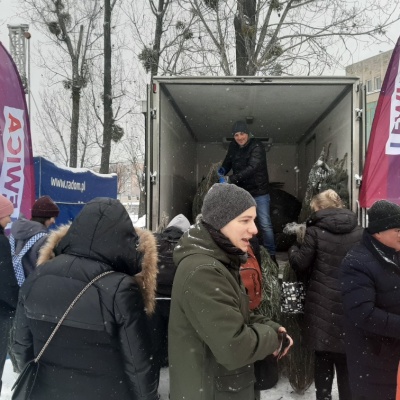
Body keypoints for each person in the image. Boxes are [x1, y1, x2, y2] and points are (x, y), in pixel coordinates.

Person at [11, 197, 159, 400]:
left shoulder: (38, 275)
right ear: (124, 238)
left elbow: (20, 347)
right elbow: (138, 364)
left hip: (46, 392)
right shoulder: (121, 289)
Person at [168, 183, 293, 400]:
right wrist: (272, 338)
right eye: (245, 220)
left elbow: (233, 314)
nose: (254, 230)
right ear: (219, 222)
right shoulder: (203, 271)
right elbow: (233, 347)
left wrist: (270, 325)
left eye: (253, 220)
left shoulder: (221, 261)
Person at [288, 189, 363, 400]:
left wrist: (294, 248)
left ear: (320, 208)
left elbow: (301, 265)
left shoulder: (314, 232)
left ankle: (324, 396)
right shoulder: (359, 231)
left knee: (323, 362)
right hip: (350, 304)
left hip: (322, 307)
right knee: (347, 363)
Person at [340, 199, 400, 400]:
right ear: (378, 231)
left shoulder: (394, 255)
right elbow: (363, 314)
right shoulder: (357, 262)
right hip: (373, 360)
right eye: (397, 230)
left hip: (393, 359)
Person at [219, 120, 277, 263]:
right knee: (242, 222)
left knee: (265, 224)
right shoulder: (233, 146)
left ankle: (271, 256)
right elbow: (228, 161)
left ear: (248, 134)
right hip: (243, 192)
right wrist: (221, 171)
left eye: (242, 134)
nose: (239, 137)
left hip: (259, 191)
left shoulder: (257, 146)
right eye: (236, 135)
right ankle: (245, 251)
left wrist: (231, 179)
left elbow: (253, 167)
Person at [149, 213, 190, 393]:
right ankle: (178, 393)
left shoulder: (154, 241)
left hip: (154, 303)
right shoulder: (190, 244)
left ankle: (149, 391)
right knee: (181, 353)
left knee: (152, 350)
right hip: (178, 303)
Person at [10, 195, 60, 283]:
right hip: (31, 288)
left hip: (11, 287)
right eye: (53, 217)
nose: (53, 221)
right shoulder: (44, 240)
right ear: (45, 217)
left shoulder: (13, 234)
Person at [0, 195, 19, 395]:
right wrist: (17, 303)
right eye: (7, 215)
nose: (9, 220)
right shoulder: (1, 242)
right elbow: (6, 282)